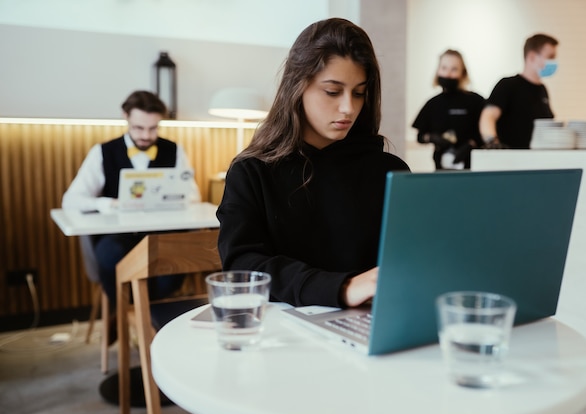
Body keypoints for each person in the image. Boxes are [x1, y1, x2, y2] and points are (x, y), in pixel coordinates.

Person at [216, 18, 410, 309]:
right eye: (332, 91)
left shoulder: (389, 171)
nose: (349, 108)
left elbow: (410, 259)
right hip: (283, 333)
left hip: (373, 324)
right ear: (297, 87)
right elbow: (243, 265)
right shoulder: (252, 172)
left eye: (359, 92)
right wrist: (342, 288)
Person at [62, 90, 201, 315]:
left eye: (153, 128)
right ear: (125, 116)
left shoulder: (174, 151)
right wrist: (107, 203)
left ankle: (140, 318)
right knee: (111, 255)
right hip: (118, 237)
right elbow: (71, 201)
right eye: (139, 128)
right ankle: (130, 316)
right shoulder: (103, 152)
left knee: (173, 267)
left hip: (160, 236)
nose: (146, 135)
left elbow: (193, 196)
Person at [479, 33, 559, 149]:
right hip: (511, 161)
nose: (554, 62)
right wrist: (492, 142)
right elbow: (488, 116)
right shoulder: (508, 85)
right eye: (550, 57)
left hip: (537, 160)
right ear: (531, 56)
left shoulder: (542, 90)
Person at [411, 49, 485, 170]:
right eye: (444, 68)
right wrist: (431, 137)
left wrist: (471, 145)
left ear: (463, 73)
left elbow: (487, 132)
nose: (448, 74)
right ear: (438, 70)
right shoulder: (432, 104)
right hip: (441, 170)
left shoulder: (476, 101)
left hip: (472, 170)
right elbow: (420, 136)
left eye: (454, 69)